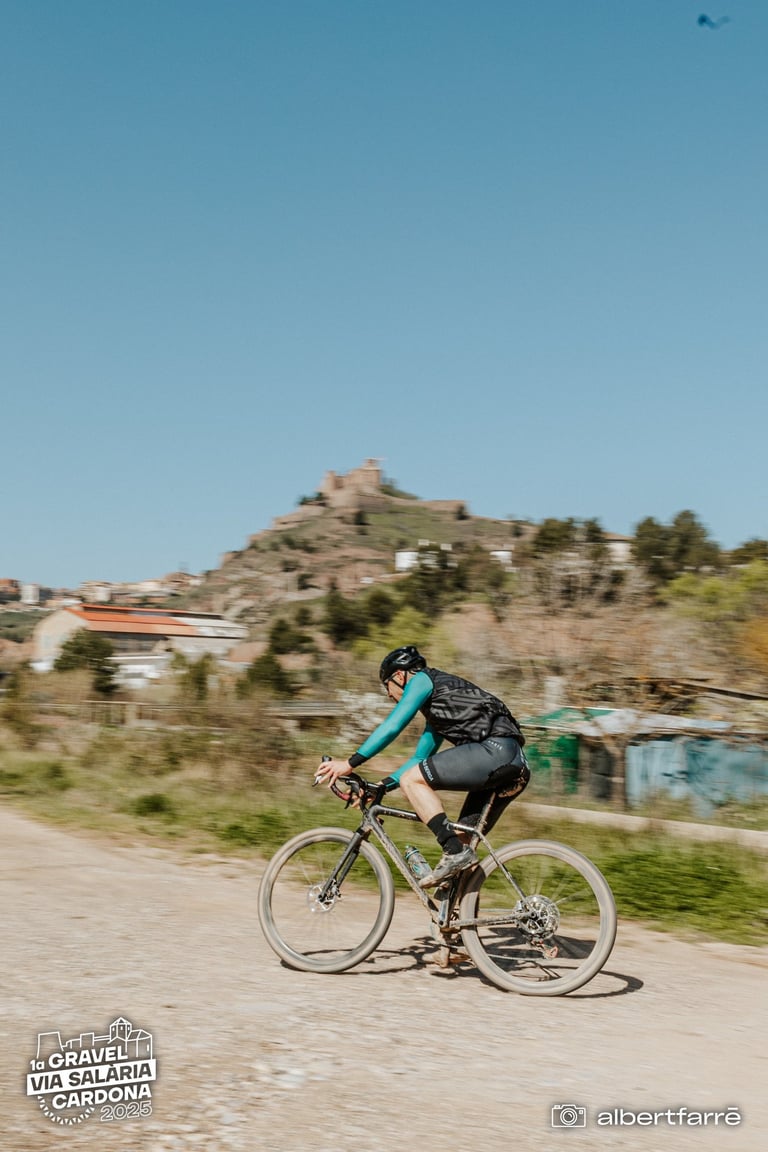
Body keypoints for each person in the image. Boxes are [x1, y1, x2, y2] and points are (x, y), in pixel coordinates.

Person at [315, 645, 530, 888]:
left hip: (494, 752)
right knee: (460, 850)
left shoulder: (422, 680)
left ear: (399, 676)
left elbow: (392, 726)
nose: (389, 695)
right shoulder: (440, 707)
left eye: (387, 686)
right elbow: (419, 759)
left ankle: (453, 852)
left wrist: (349, 763)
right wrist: (381, 787)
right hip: (514, 764)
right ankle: (458, 906)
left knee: (412, 781)